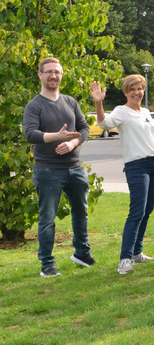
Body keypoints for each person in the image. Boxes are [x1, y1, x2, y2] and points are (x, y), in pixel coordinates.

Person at [90, 76, 154, 274]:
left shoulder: (145, 112)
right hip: (136, 166)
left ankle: (137, 253)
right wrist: (98, 102)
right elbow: (104, 124)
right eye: (133, 89)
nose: (137, 92)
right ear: (126, 92)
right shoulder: (122, 111)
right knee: (136, 212)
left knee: (147, 210)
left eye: (140, 89)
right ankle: (125, 259)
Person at [24, 57, 94, 277]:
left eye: (57, 72)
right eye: (49, 72)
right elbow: (30, 134)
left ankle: (82, 253)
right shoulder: (34, 105)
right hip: (48, 170)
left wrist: (73, 142)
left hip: (75, 167)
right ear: (40, 74)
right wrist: (58, 136)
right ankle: (47, 264)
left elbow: (83, 128)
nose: (54, 76)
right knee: (47, 218)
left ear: (62, 74)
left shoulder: (70, 101)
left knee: (81, 212)